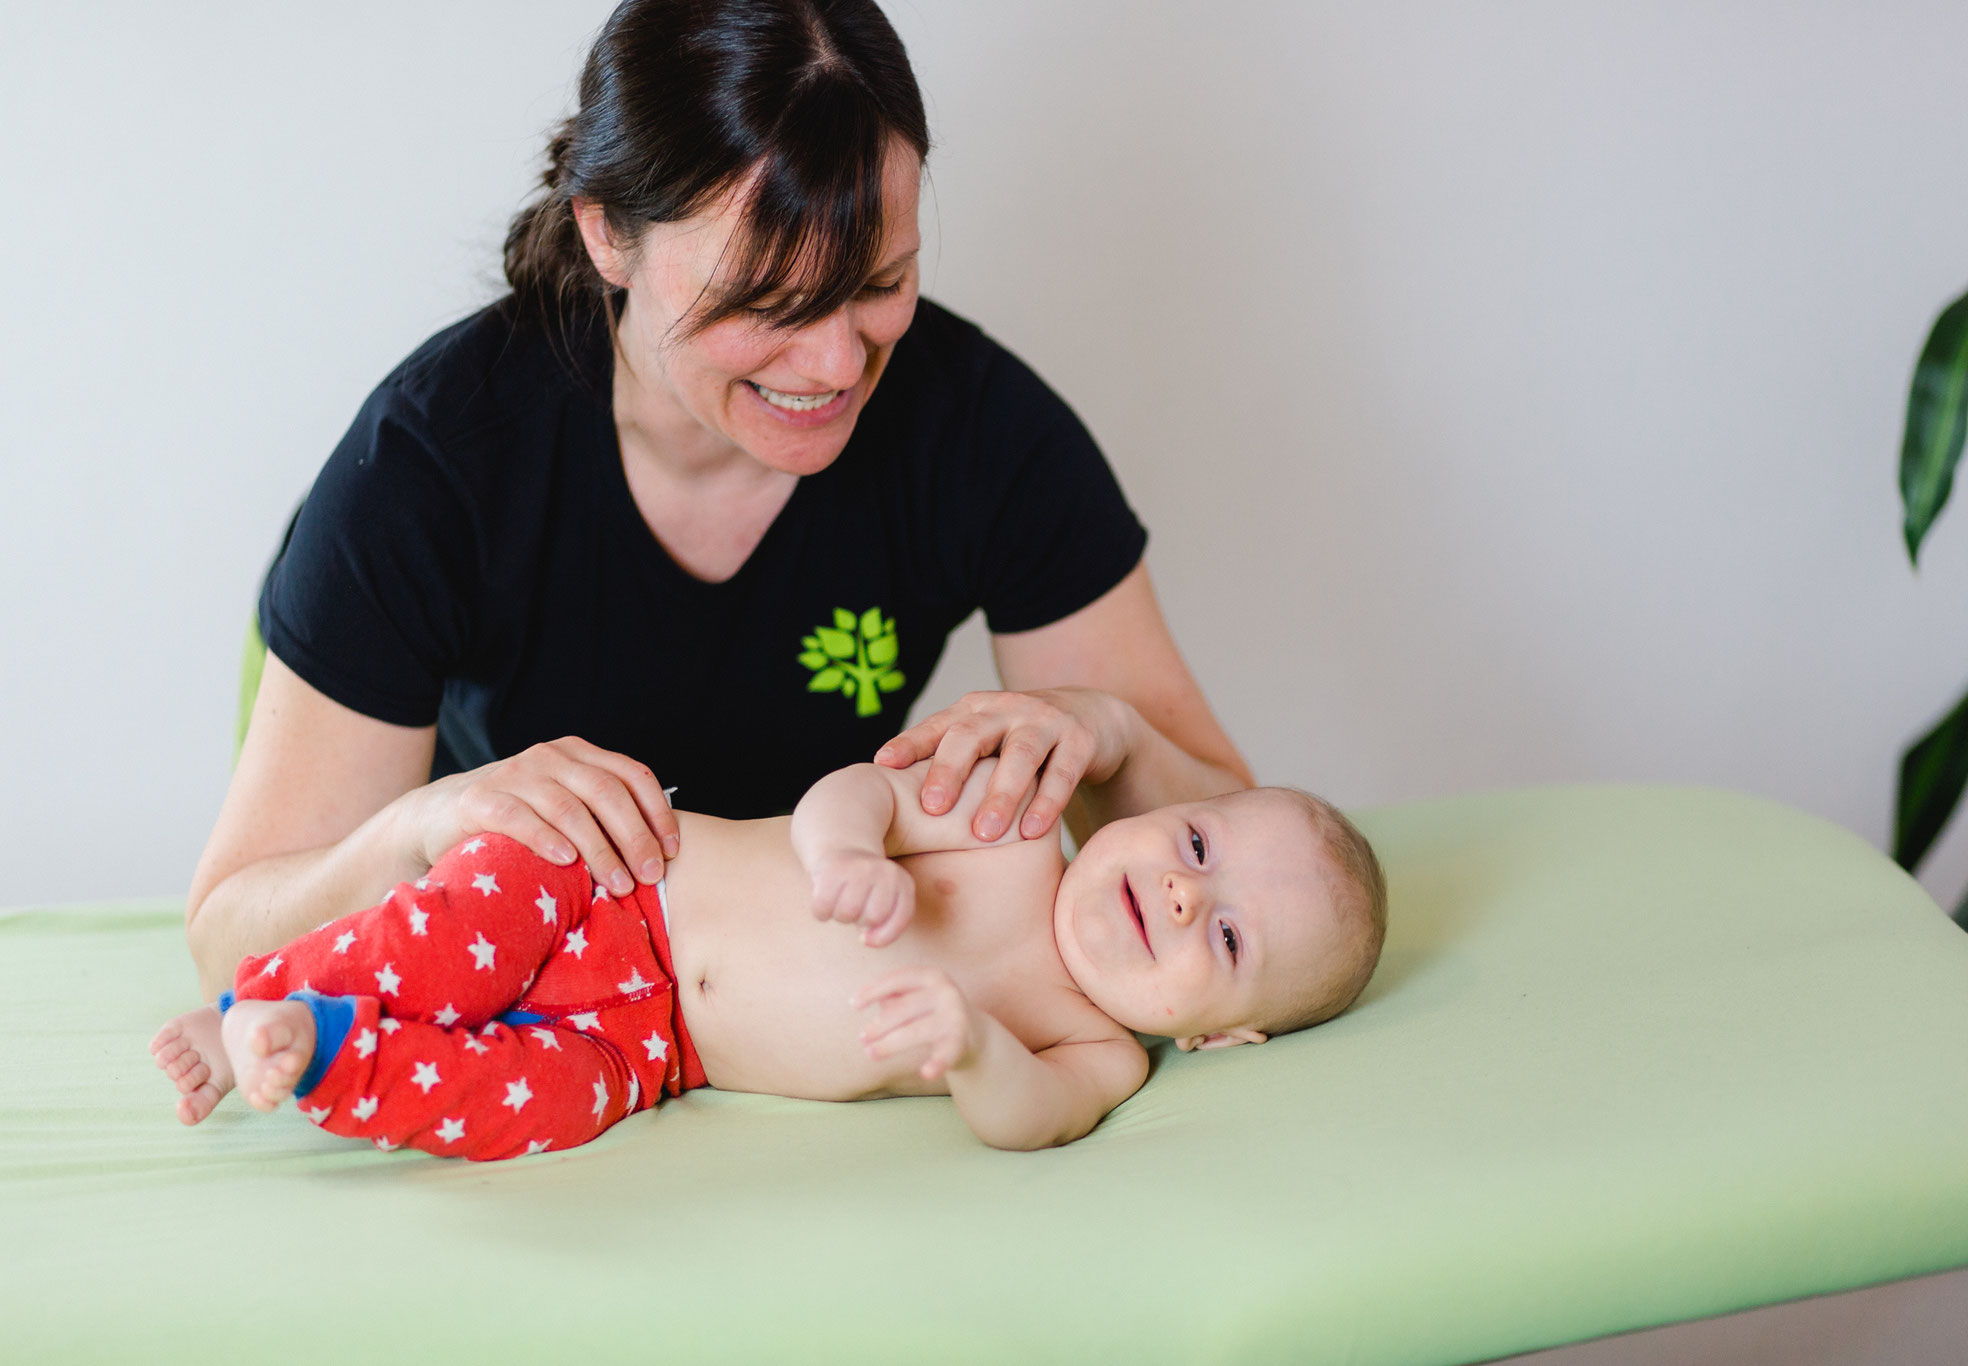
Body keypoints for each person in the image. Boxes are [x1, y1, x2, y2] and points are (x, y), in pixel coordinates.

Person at [188, 0, 1252, 999]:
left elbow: (1246, 852)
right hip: (522, 950)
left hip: (750, 969)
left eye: (879, 284)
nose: (837, 364)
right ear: (609, 233)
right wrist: (424, 828)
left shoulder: (981, 434)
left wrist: (1109, 731)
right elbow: (230, 944)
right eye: (769, 303)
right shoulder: (431, 469)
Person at [151, 753, 1387, 1155]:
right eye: (1195, 843)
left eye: (1224, 933)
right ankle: (255, 1001)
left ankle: (315, 1057)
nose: (1176, 892)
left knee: (525, 1110)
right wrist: (844, 851)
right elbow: (856, 790)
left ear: (1226, 1033)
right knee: (439, 943)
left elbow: (1028, 1118)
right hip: (619, 886)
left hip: (648, 1050)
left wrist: (971, 1047)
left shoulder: (1100, 1052)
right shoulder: (1010, 840)